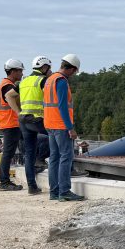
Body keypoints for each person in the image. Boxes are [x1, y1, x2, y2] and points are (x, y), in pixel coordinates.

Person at [43, 54, 84, 202]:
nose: (74, 74)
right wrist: (70, 128)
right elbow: (62, 106)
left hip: (49, 124)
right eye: (74, 71)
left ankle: (54, 192)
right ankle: (65, 191)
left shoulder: (50, 79)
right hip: (60, 125)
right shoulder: (61, 81)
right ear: (71, 69)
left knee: (54, 158)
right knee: (66, 157)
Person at [18, 55, 52, 195]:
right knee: (61, 136)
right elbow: (52, 99)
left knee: (29, 153)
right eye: (48, 67)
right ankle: (69, 170)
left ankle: (32, 187)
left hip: (23, 119)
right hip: (37, 119)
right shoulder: (43, 80)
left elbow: (11, 95)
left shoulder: (24, 80)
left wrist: (18, 111)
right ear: (44, 67)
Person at [0, 59, 25, 191]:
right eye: (20, 71)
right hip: (10, 123)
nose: (22, 73)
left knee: (13, 151)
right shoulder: (8, 86)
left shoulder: (4, 84)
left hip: (8, 123)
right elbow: (12, 99)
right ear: (13, 71)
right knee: (8, 153)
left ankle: (5, 181)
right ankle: (4, 182)